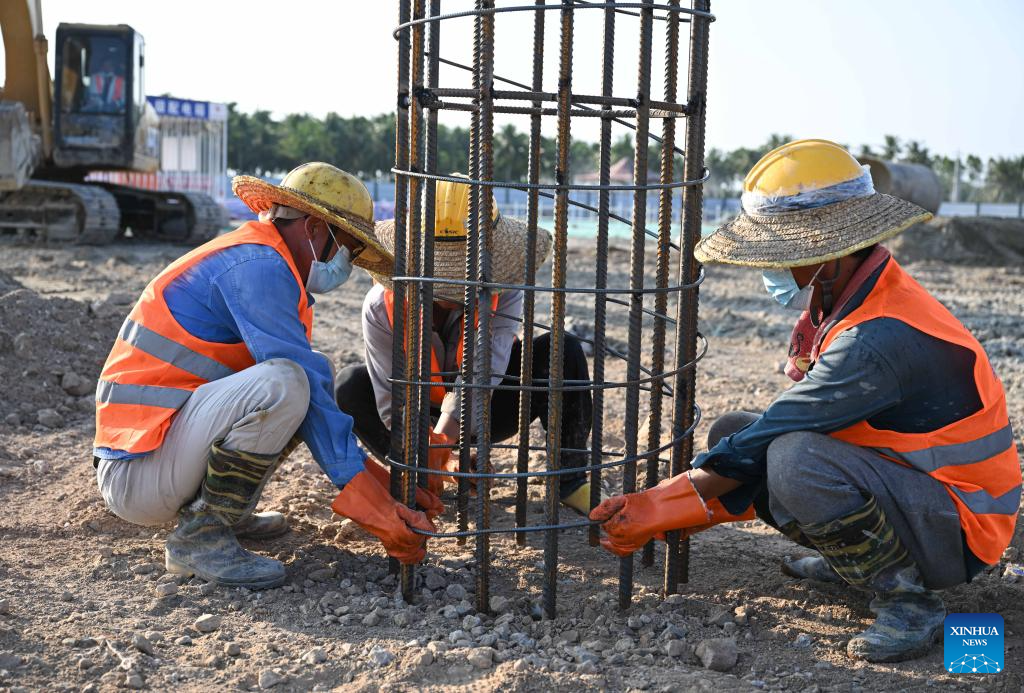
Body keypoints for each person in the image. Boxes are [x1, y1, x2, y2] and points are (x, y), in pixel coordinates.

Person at [591, 139, 1021, 662]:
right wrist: (671, 503)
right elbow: (760, 438)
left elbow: (776, 437)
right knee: (735, 432)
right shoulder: (852, 296)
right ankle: (857, 564)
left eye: (782, 258)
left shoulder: (876, 340)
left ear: (831, 254)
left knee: (793, 459)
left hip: (961, 527)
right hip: (914, 491)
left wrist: (656, 505)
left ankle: (907, 598)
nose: (770, 272)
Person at [93, 162, 441, 590]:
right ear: (314, 229)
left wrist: (379, 482)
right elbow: (303, 393)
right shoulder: (257, 267)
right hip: (139, 472)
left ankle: (221, 511)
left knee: (308, 376)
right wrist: (371, 503)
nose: (345, 264)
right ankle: (200, 538)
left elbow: (313, 393)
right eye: (346, 247)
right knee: (286, 384)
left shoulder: (264, 259)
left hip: (159, 457)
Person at [335, 178, 595, 512]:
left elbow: (486, 367)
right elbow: (391, 402)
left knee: (563, 350)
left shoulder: (505, 284)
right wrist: (428, 448)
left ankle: (571, 481)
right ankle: (417, 474)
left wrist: (446, 437)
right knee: (349, 385)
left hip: (486, 404)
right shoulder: (381, 305)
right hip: (418, 417)